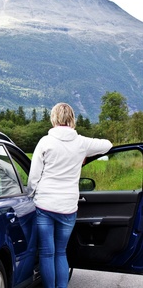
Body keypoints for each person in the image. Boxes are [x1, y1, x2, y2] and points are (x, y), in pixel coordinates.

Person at [26, 103, 112, 288]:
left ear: (54, 118)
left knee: (47, 252)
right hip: (68, 207)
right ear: (72, 119)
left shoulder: (45, 142)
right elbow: (108, 145)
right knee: (61, 252)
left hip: (45, 206)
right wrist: (85, 156)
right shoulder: (81, 142)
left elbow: (34, 176)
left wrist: (30, 194)